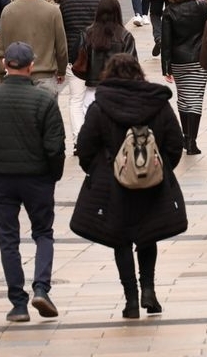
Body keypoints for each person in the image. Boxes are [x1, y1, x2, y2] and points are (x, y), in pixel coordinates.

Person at [71, 53, 186, 319]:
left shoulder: (100, 107)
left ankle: (131, 299)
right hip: (152, 184)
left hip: (114, 184)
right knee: (148, 234)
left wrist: (98, 171)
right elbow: (175, 142)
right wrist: (162, 168)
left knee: (120, 239)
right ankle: (149, 290)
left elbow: (85, 146)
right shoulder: (158, 104)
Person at [0, 42, 66, 323]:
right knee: (43, 232)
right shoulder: (44, 99)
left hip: (0, 178)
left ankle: (18, 303)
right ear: (31, 66)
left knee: (8, 239)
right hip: (37, 178)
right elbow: (55, 146)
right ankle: (41, 288)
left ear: (4, 65)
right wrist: (53, 175)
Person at [0, 0, 67, 101]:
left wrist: (0, 74)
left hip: (15, 76)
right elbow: (61, 47)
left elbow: (1, 47)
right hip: (45, 77)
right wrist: (61, 70)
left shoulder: (8, 11)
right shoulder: (53, 11)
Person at [159, 0, 207, 155]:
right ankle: (191, 141)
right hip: (199, 59)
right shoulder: (203, 6)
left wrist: (166, 67)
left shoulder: (169, 11)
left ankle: (186, 137)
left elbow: (166, 42)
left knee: (183, 98)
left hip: (179, 60)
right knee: (195, 98)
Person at [58, 0, 105, 141]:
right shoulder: (103, 0)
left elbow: (61, 30)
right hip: (99, 56)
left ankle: (79, 139)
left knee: (76, 100)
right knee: (97, 98)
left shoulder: (66, 1)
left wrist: (61, 63)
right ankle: (97, 136)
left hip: (75, 57)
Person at [75, 0, 138, 117]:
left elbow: (79, 60)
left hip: (92, 92)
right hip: (117, 92)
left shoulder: (87, 33)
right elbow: (132, 67)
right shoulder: (125, 36)